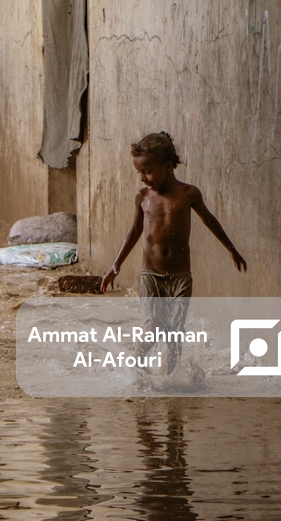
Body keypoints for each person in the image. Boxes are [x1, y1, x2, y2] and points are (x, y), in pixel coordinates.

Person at [100, 131, 246, 373]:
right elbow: (135, 230)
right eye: (139, 172)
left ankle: (170, 383)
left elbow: (210, 221)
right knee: (154, 325)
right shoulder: (143, 197)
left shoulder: (189, 194)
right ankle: (136, 370)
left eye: (147, 170)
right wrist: (117, 264)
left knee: (174, 332)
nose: (143, 178)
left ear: (168, 165)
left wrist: (232, 250)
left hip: (180, 277)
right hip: (151, 275)